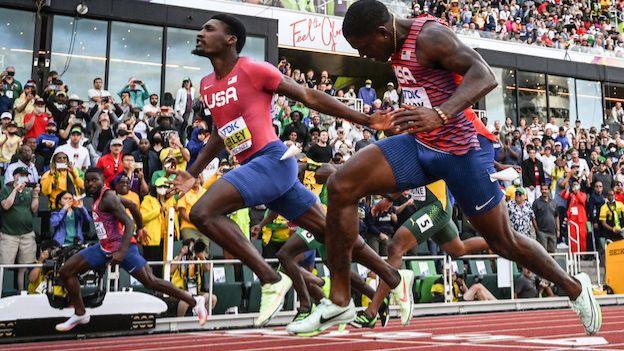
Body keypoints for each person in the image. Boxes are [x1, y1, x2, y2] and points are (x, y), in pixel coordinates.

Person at [290, 0, 599, 335]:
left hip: (458, 152)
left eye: (365, 48)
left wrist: (440, 113)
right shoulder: (391, 44)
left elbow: (482, 73)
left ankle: (575, 287)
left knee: (503, 242)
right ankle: (339, 301)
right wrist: (397, 118)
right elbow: (423, 91)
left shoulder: (430, 37)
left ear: (382, 32)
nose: (365, 57)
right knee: (341, 186)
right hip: (419, 144)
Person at [170, 13, 408, 329]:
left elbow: (309, 95)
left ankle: (270, 279)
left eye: (208, 29)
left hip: (272, 161)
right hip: (260, 170)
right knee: (332, 233)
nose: (200, 34)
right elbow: (220, 132)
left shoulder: (253, 69)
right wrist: (194, 171)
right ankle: (391, 275)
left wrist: (365, 120)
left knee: (202, 212)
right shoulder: (207, 85)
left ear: (230, 40)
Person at [55, 168, 206, 331]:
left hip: (123, 248)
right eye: (87, 180)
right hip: (104, 248)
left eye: (94, 180)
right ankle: (80, 312)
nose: (90, 183)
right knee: (66, 271)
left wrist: (122, 250)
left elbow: (128, 223)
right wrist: (141, 228)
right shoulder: (102, 197)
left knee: (151, 281)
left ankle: (195, 301)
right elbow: (133, 205)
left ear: (103, 181)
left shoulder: (108, 198)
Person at [0, 167, 39, 291]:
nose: (23, 177)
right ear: (14, 176)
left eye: (25, 175)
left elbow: (34, 209)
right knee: (4, 266)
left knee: (25, 266)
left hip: (27, 234)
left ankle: (24, 293)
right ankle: (2, 292)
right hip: (8, 234)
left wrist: (36, 195)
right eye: (21, 174)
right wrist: (16, 189)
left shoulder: (29, 190)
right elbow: (6, 205)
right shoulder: (6, 189)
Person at [171, 239, 217, 317]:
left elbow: (208, 268)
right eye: (191, 247)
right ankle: (179, 322)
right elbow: (171, 270)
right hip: (180, 290)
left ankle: (203, 320)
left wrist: (202, 257)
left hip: (196, 291)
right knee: (186, 298)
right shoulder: (178, 258)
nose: (193, 249)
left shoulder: (198, 260)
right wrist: (181, 254)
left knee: (212, 298)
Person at [561, 181, 588, 253]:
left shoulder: (583, 194)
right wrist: (567, 188)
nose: (575, 187)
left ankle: (582, 253)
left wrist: (577, 192)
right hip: (572, 218)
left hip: (581, 219)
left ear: (579, 187)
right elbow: (563, 196)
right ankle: (574, 253)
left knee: (582, 236)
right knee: (573, 236)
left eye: (576, 185)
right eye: (574, 185)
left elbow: (582, 200)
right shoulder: (571, 195)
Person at [532, 184, 559, 253]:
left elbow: (556, 216)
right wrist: (537, 229)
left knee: (553, 253)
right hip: (542, 232)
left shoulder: (554, 202)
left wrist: (558, 230)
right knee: (543, 254)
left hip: (553, 232)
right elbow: (533, 217)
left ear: (549, 190)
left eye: (546, 189)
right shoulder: (536, 202)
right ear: (540, 190)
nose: (544, 191)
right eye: (542, 189)